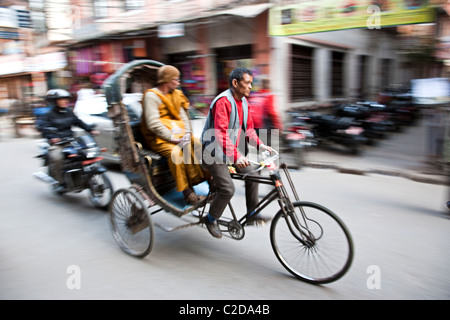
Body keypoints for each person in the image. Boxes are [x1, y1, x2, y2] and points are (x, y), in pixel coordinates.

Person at [201, 67, 273, 238]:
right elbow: (220, 133)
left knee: (254, 174)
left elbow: (249, 130)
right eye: (247, 83)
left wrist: (261, 145)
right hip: (212, 153)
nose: (250, 87)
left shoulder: (244, 103)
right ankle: (211, 219)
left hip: (228, 151)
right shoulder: (223, 102)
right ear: (235, 83)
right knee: (227, 189)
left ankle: (251, 213)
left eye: (251, 83)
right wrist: (237, 156)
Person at [140, 65, 207, 205]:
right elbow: (153, 123)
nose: (178, 82)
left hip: (179, 134)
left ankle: (208, 180)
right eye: (176, 79)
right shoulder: (151, 96)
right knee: (176, 153)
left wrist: (187, 133)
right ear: (166, 80)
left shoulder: (176, 94)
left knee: (197, 144)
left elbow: (184, 117)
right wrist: (173, 138)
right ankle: (188, 193)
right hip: (158, 138)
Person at [39, 89, 99, 190]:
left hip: (71, 141)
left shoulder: (69, 112)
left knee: (86, 153)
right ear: (54, 101)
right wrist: (52, 138)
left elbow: (79, 122)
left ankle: (83, 176)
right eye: (61, 99)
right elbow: (43, 128)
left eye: (66, 99)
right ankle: (60, 182)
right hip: (58, 144)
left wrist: (90, 130)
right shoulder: (48, 115)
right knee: (57, 157)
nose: (65, 101)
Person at [248, 76, 283, 147]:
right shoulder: (269, 96)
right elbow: (272, 112)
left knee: (260, 147)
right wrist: (278, 126)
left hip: (255, 126)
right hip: (264, 127)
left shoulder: (255, 95)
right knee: (268, 148)